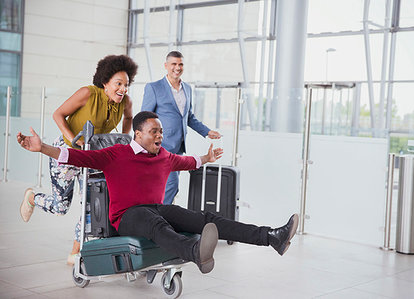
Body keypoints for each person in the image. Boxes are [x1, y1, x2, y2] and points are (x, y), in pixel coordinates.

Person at [17, 111, 299, 274]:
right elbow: (78, 158)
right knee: (155, 221)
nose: (160, 136)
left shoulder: (164, 156)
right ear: (138, 134)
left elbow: (189, 162)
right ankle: (193, 251)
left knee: (205, 218)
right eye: (154, 131)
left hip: (153, 208)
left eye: (161, 131)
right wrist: (42, 148)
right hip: (125, 217)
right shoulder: (116, 154)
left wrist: (206, 158)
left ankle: (271, 237)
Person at [19, 55, 138, 264]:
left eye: (126, 84)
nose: (123, 89)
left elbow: (129, 118)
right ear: (105, 83)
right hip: (65, 153)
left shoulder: (125, 102)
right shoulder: (87, 94)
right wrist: (75, 141)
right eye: (118, 83)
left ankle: (76, 251)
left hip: (93, 157)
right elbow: (58, 114)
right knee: (60, 207)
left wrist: (121, 141)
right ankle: (32, 198)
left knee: (93, 204)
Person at [141, 51, 221, 205]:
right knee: (171, 185)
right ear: (166, 66)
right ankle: (160, 218)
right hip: (161, 146)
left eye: (180, 64)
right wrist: (144, 146)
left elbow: (188, 117)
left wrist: (207, 132)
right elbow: (145, 118)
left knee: (166, 186)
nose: (177, 67)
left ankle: (159, 217)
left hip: (179, 146)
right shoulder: (154, 87)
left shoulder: (187, 89)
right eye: (173, 64)